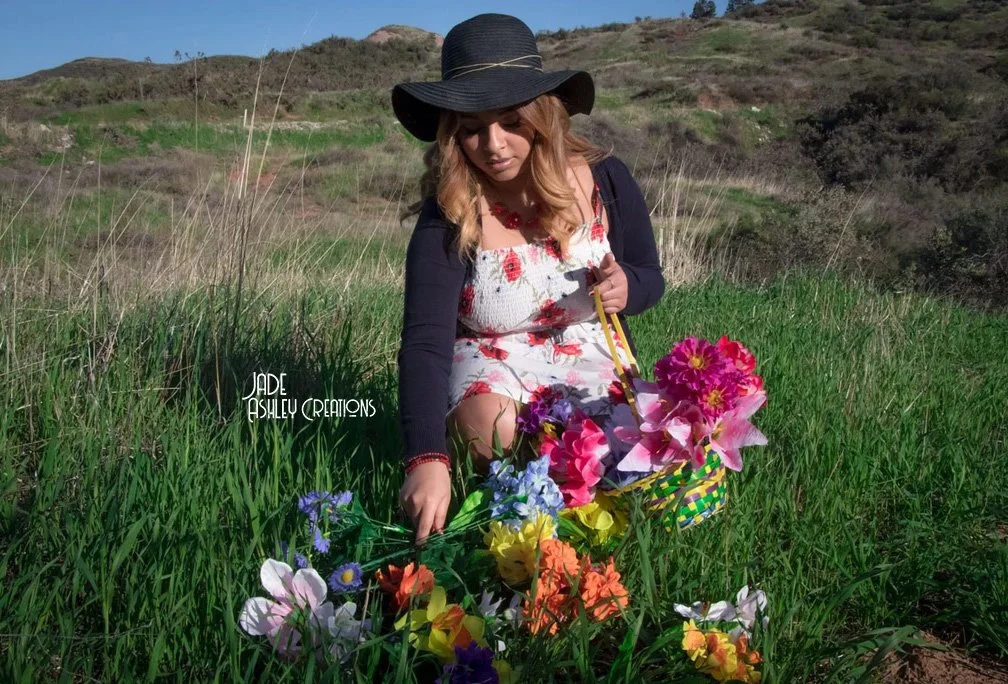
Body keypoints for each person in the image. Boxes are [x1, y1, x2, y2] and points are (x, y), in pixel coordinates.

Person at [392, 13, 665, 542]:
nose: (492, 144)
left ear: (542, 116)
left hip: (587, 352)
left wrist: (629, 287)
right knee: (492, 435)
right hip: (490, 360)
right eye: (470, 128)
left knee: (621, 448)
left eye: (511, 122)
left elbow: (651, 278)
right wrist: (425, 456)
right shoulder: (447, 212)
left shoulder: (606, 179)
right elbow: (425, 343)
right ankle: (526, 516)